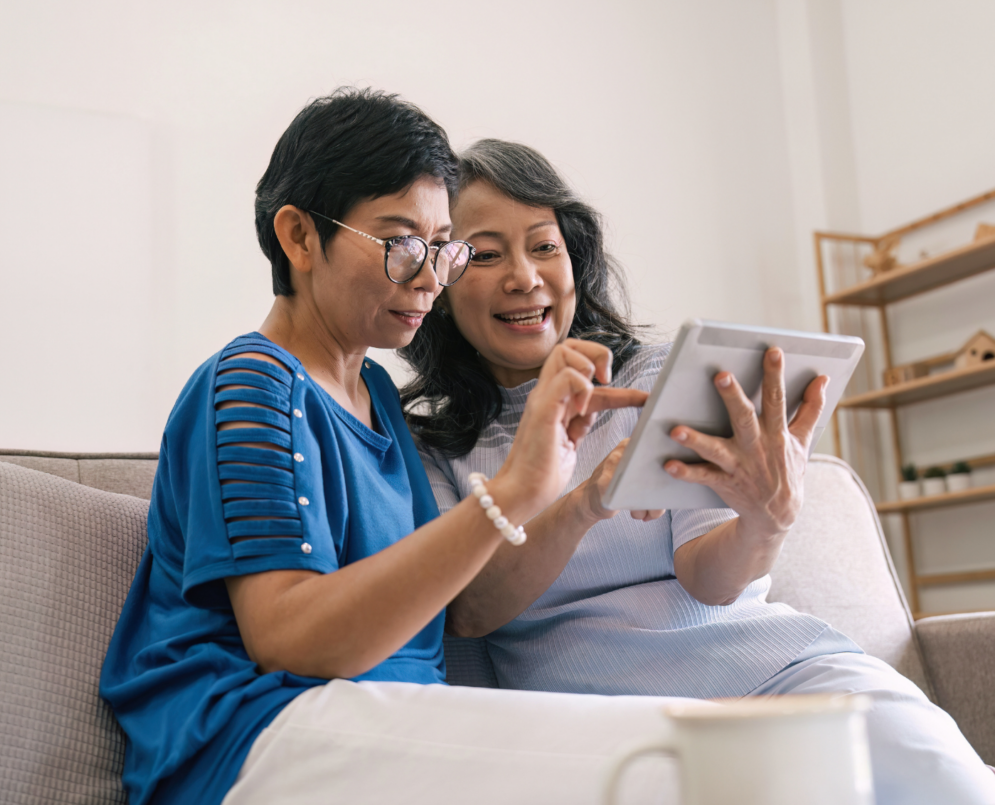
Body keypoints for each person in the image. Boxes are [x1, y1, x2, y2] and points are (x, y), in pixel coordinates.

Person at [100, 89, 704, 805]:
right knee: (657, 765)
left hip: (391, 724)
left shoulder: (381, 398)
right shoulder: (252, 385)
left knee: (675, 753)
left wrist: (566, 495)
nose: (429, 278)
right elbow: (288, 637)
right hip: (255, 735)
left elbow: (452, 611)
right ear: (298, 237)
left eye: (442, 248)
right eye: (400, 245)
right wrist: (511, 490)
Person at [400, 138, 995, 804]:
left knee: (947, 775)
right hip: (604, 721)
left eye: (544, 245)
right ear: (442, 281)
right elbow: (472, 611)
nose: (525, 276)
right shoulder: (431, 443)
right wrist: (585, 501)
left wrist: (765, 521)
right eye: (485, 253)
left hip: (776, 674)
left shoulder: (652, 378)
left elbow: (710, 580)